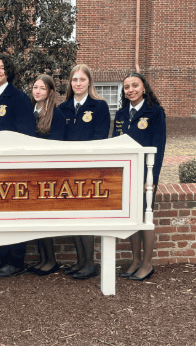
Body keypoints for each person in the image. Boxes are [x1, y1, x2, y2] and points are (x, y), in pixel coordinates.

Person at [0, 53, 36, 278]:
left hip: (13, 167)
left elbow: (26, 134)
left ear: (8, 72)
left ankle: (16, 261)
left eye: (2, 67)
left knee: (15, 213)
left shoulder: (18, 98)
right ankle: (2, 256)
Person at [58, 64, 111, 280]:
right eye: (74, 80)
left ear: (89, 82)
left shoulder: (99, 107)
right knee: (73, 218)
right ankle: (80, 262)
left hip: (89, 171)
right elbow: (59, 141)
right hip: (68, 172)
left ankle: (90, 264)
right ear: (70, 83)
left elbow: (100, 139)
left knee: (87, 217)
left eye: (82, 80)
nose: (78, 83)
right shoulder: (63, 109)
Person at [113, 72, 166, 281]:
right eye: (127, 87)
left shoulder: (155, 112)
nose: (131, 90)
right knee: (132, 218)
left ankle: (147, 264)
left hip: (146, 176)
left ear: (144, 88)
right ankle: (135, 260)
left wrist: (150, 180)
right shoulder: (120, 114)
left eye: (135, 85)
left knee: (146, 217)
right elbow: (115, 146)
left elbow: (158, 148)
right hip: (126, 174)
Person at [27, 74, 66, 276]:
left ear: (50, 91)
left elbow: (56, 144)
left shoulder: (56, 115)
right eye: (35, 87)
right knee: (35, 218)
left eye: (42, 88)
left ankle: (51, 260)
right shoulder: (29, 112)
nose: (38, 91)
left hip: (47, 171)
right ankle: (43, 258)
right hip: (29, 171)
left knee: (45, 217)